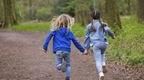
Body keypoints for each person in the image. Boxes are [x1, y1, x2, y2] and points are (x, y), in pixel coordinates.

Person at [43, 14, 85, 80]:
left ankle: (60, 65)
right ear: (68, 22)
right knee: (68, 65)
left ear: (58, 22)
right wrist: (83, 50)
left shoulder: (55, 31)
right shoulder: (69, 32)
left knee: (58, 65)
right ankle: (68, 77)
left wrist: (45, 47)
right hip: (67, 51)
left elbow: (48, 38)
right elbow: (76, 42)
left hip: (58, 50)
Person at [84, 11, 115, 80]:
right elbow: (109, 31)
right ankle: (103, 63)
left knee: (98, 60)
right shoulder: (103, 24)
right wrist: (113, 36)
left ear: (91, 17)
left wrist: (86, 48)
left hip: (95, 44)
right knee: (102, 54)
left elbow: (87, 37)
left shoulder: (89, 26)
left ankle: (100, 73)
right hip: (104, 44)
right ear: (99, 16)